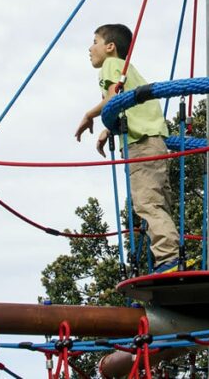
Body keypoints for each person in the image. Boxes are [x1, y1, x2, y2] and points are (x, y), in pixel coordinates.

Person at [74, 24, 181, 274]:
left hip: (141, 145)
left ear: (110, 47)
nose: (90, 48)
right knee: (159, 201)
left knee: (147, 203)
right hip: (153, 141)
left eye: (95, 41)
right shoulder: (129, 71)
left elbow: (113, 97)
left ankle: (169, 259)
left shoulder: (112, 65)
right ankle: (171, 257)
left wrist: (90, 115)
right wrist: (110, 129)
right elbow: (129, 107)